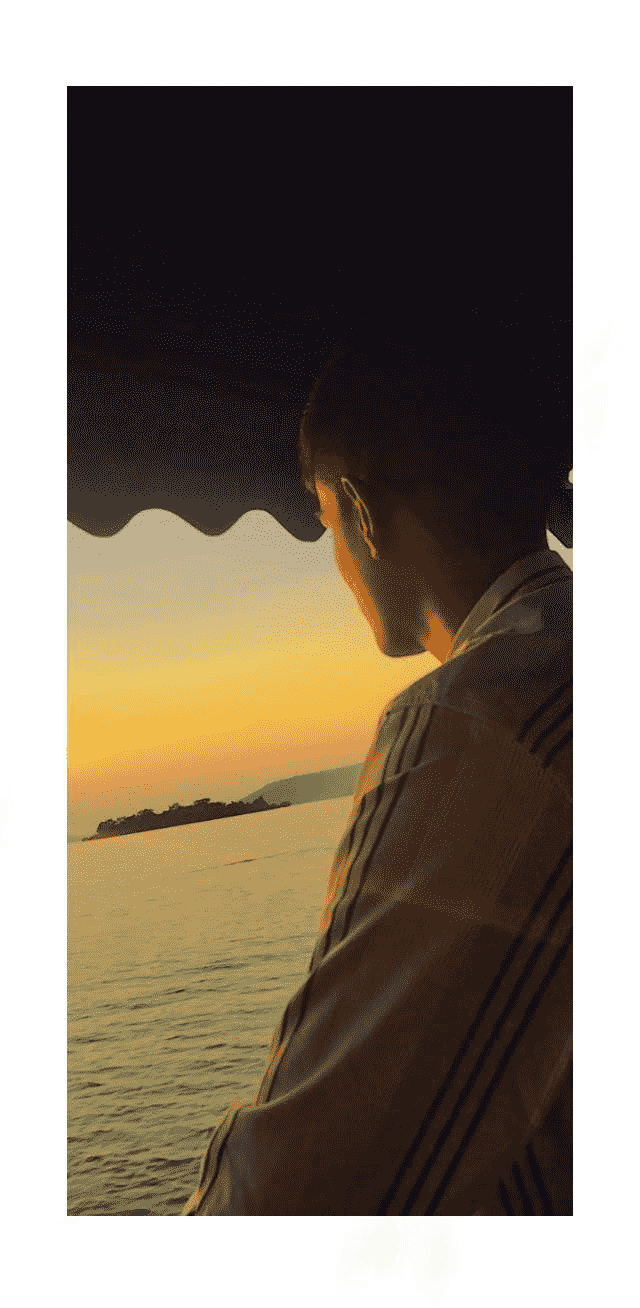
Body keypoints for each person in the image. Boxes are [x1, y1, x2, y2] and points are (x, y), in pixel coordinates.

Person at [183, 307, 572, 1215]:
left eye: (326, 524)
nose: (339, 562)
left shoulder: (477, 721)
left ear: (360, 512)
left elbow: (293, 1185)